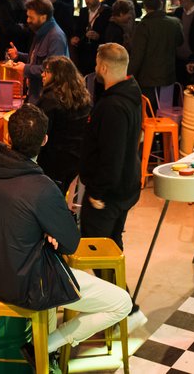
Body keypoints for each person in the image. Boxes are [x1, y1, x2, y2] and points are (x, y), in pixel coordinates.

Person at [0, 104, 133, 371]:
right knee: (122, 303)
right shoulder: (41, 187)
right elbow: (70, 243)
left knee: (51, 280)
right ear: (45, 140)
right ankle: (45, 346)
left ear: (8, 136)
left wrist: (39, 227)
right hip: (28, 284)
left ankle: (45, 353)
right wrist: (51, 226)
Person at [80, 43, 142, 251]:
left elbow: (112, 155)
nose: (95, 68)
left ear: (104, 68)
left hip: (108, 196)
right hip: (124, 186)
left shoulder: (112, 106)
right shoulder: (131, 94)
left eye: (97, 64)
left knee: (97, 251)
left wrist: (97, 193)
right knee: (113, 247)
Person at [37, 56, 93, 195]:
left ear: (58, 75)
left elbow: (40, 134)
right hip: (77, 161)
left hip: (54, 165)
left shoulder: (50, 99)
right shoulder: (84, 97)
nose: (42, 74)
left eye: (47, 71)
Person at [6, 0, 68, 104]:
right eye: (27, 16)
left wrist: (25, 68)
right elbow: (38, 58)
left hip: (46, 99)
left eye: (31, 17)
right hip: (36, 94)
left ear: (43, 17)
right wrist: (19, 55)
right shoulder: (40, 31)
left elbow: (53, 70)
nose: (27, 20)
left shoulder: (56, 37)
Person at [128, 0, 180, 109]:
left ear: (145, 6)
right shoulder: (174, 23)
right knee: (165, 111)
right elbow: (180, 43)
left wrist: (129, 74)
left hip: (148, 77)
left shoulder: (144, 25)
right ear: (161, 5)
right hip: (168, 75)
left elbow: (137, 54)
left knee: (148, 110)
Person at [70, 0, 110, 75]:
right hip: (83, 52)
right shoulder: (83, 11)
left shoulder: (106, 12)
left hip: (98, 52)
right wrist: (75, 37)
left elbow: (109, 33)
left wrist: (99, 37)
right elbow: (78, 29)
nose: (86, 1)